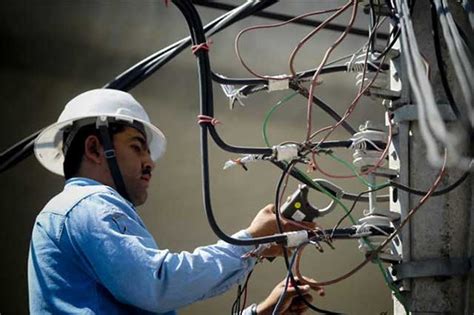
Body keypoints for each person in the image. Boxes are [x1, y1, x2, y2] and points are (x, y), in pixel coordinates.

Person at [28, 89, 314, 314]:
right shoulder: (87, 204)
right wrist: (249, 241)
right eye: (137, 147)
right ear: (94, 148)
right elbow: (158, 285)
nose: (150, 162)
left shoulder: (75, 213)